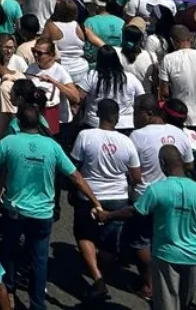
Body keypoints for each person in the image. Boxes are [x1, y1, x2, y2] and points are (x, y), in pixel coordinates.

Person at [0, 98, 97, 310]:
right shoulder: (52, 146)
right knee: (39, 259)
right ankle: (37, 303)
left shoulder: (10, 142)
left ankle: (10, 290)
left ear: (19, 123)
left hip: (15, 210)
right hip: (42, 214)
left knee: (10, 251)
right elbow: (76, 176)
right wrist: (95, 200)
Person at [109, 145, 196, 310]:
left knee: (166, 304)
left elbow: (135, 212)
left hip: (166, 255)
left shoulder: (156, 190)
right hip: (193, 256)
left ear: (163, 164)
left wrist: (108, 215)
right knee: (184, 302)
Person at [70, 98, 140, 298]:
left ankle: (96, 276)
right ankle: (104, 272)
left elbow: (74, 166)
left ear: (98, 115)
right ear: (117, 117)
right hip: (118, 197)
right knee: (110, 240)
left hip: (89, 195)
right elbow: (136, 177)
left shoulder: (85, 136)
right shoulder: (127, 142)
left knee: (84, 235)